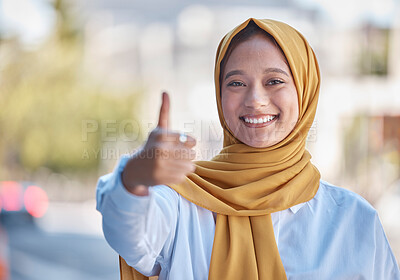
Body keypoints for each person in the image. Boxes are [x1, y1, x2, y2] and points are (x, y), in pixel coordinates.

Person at [96, 18, 400, 280]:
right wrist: (133, 177)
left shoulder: (353, 220)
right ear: (219, 94)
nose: (255, 99)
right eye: (237, 83)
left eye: (274, 81)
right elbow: (129, 233)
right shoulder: (183, 202)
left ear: (305, 90)